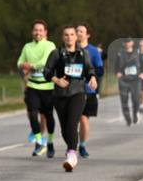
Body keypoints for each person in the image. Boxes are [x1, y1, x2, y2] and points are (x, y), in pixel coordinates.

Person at [42, 26, 95, 172]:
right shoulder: (56, 54)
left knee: (72, 124)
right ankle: (72, 148)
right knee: (65, 128)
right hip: (60, 95)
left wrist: (93, 78)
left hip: (78, 93)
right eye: (66, 35)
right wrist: (56, 80)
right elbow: (46, 72)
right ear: (63, 37)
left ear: (76, 37)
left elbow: (89, 69)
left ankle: (71, 155)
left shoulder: (83, 53)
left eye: (72, 34)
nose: (69, 37)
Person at [17, 20, 58, 158]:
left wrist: (30, 66)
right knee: (32, 114)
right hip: (32, 85)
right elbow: (19, 62)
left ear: (45, 32)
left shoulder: (50, 45)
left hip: (48, 86)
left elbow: (45, 61)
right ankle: (40, 142)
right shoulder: (27, 46)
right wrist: (23, 64)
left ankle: (50, 141)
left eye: (40, 30)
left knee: (48, 116)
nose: (37, 32)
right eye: (35, 30)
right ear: (32, 32)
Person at [75, 23, 104, 159]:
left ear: (87, 35)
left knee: (83, 119)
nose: (79, 33)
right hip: (71, 90)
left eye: (81, 31)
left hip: (88, 90)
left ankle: (82, 145)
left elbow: (100, 69)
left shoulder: (93, 51)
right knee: (71, 121)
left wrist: (91, 77)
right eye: (77, 31)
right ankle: (72, 144)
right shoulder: (68, 50)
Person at [115, 38, 143, 126]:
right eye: (126, 42)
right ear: (124, 44)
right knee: (124, 101)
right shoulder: (120, 54)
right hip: (124, 80)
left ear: (132, 43)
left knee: (136, 100)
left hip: (135, 80)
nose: (127, 44)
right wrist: (117, 72)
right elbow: (115, 66)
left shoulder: (138, 53)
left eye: (129, 42)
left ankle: (135, 115)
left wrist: (142, 73)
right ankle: (128, 119)